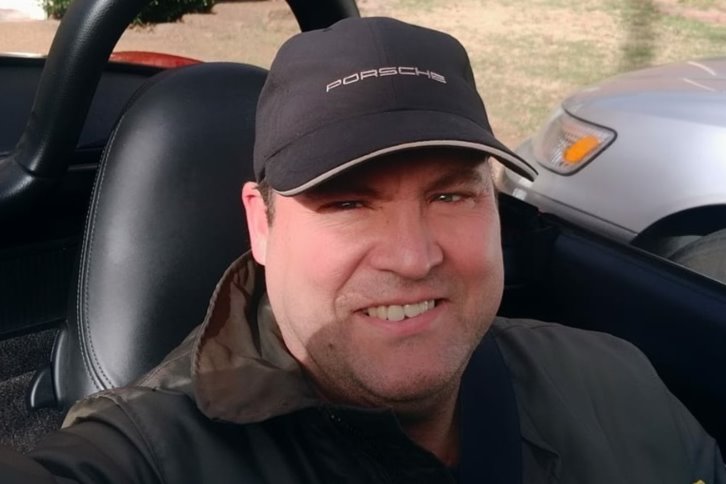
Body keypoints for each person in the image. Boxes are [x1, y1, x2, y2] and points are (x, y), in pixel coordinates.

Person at [1, 16, 724, 484]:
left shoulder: (618, 386)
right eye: (347, 202)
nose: (412, 258)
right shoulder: (151, 453)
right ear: (261, 225)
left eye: (451, 195)